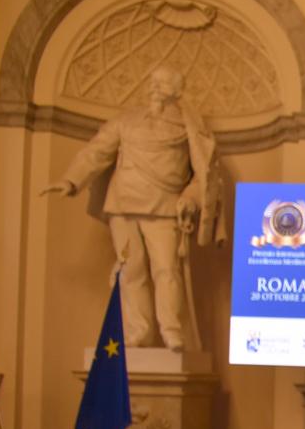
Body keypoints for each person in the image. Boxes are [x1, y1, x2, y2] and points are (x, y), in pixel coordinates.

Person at [43, 66, 222, 351]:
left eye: (162, 83)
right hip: (123, 204)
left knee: (166, 270)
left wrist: (189, 197)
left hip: (164, 206)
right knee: (131, 270)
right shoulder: (126, 120)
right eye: (152, 82)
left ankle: (171, 331)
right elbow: (97, 151)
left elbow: (203, 175)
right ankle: (138, 332)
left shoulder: (190, 127)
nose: (154, 87)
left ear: (176, 91)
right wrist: (71, 180)